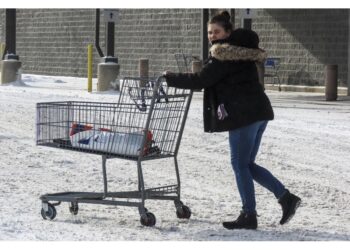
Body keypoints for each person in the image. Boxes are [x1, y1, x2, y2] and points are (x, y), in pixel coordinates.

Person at [163, 11, 301, 230]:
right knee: (246, 164)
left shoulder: (223, 55)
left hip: (243, 116)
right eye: (209, 32)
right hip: (258, 112)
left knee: (239, 163)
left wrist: (170, 78)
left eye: (217, 31)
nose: (212, 36)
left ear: (228, 32)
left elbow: (201, 79)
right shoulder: (243, 53)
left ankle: (249, 214)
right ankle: (286, 198)